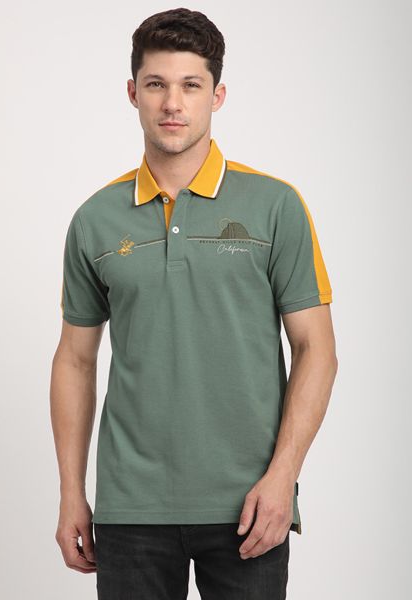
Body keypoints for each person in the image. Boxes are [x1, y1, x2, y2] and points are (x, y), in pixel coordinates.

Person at [50, 7, 338, 599]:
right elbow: (74, 360)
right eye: (156, 84)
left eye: (191, 85)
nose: (173, 104)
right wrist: (71, 492)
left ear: (217, 95)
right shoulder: (94, 219)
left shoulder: (275, 206)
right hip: (131, 508)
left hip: (250, 505)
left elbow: (317, 349)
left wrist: (283, 478)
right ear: (133, 93)